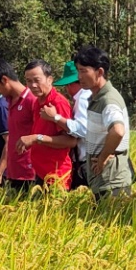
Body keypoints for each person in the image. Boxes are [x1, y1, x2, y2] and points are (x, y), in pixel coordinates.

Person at [71, 46, 134, 201]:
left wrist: (102, 158)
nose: (79, 76)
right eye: (78, 71)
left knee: (112, 223)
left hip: (111, 181)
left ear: (99, 72)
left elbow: (118, 131)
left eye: (84, 71)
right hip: (103, 179)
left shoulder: (108, 100)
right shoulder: (96, 97)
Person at [14, 60, 74, 189]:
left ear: (50, 80)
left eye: (37, 80)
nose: (33, 85)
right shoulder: (37, 102)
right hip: (40, 172)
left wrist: (36, 138)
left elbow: (71, 141)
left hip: (57, 176)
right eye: (28, 81)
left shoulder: (58, 103)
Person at [0, 59, 38, 192]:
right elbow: (10, 140)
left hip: (30, 173)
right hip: (13, 172)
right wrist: (0, 170)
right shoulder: (8, 101)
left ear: (4, 80)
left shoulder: (32, 100)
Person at [45, 60, 90, 189]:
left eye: (67, 85)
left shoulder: (82, 98)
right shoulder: (90, 96)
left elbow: (82, 129)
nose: (67, 89)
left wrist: (55, 118)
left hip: (87, 161)